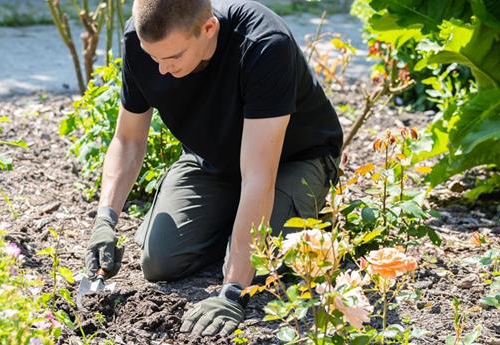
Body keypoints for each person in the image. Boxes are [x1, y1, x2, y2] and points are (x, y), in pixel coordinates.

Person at [83, 0, 343, 338]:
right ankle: (234, 226)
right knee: (159, 262)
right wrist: (105, 218)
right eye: (153, 58)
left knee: (263, 268)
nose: (161, 70)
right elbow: (128, 140)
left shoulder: (263, 45)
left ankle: (288, 218)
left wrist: (232, 290)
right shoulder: (142, 40)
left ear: (209, 29)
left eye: (173, 57)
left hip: (291, 161)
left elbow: (258, 177)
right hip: (211, 160)